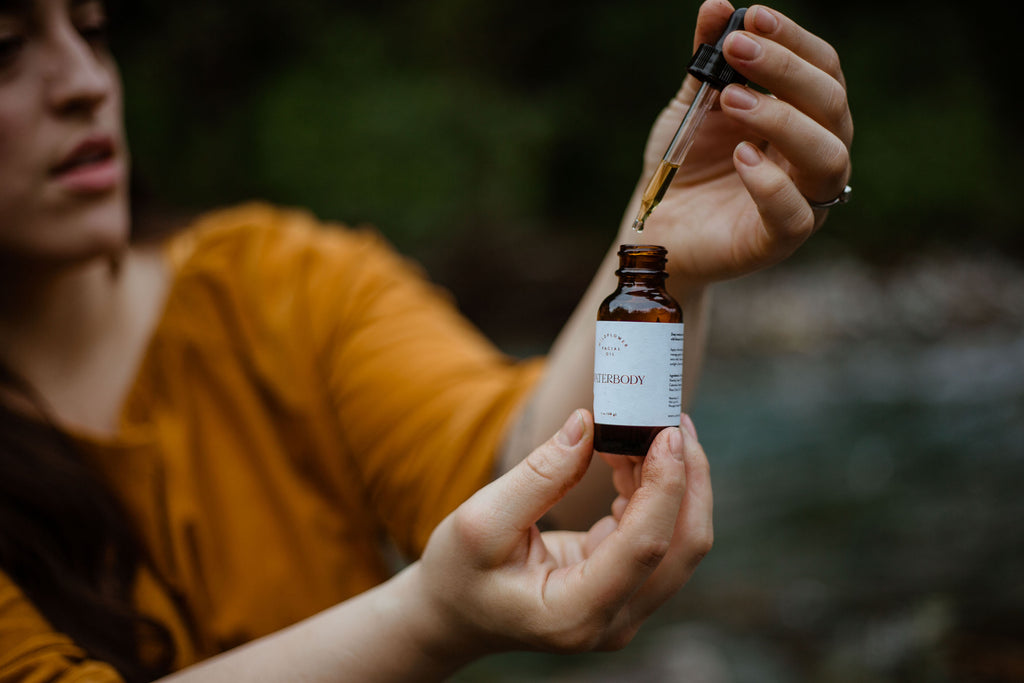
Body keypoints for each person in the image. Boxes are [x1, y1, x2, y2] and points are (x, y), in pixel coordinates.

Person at [0, 0, 852, 680]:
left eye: (93, 28)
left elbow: (525, 479)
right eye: (7, 45)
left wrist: (667, 255)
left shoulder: (282, 283)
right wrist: (430, 618)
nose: (82, 81)